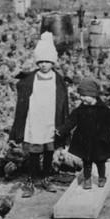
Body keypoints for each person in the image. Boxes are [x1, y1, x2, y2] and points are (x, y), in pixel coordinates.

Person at [10, 32, 70, 197]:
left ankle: (46, 177)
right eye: (41, 61)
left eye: (47, 62)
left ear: (53, 62)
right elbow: (22, 92)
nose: (44, 65)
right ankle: (30, 179)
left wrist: (62, 124)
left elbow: (63, 103)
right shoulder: (31, 79)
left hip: (50, 119)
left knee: (49, 150)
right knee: (34, 150)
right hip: (35, 118)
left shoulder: (57, 80)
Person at [57, 77, 110, 190]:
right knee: (86, 161)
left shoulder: (104, 110)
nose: (82, 98)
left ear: (93, 95)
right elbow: (71, 121)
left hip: (99, 140)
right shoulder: (80, 109)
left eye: (84, 95)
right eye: (81, 95)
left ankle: (101, 177)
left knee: (100, 160)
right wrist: (62, 130)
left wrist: (105, 136)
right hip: (84, 140)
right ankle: (87, 179)